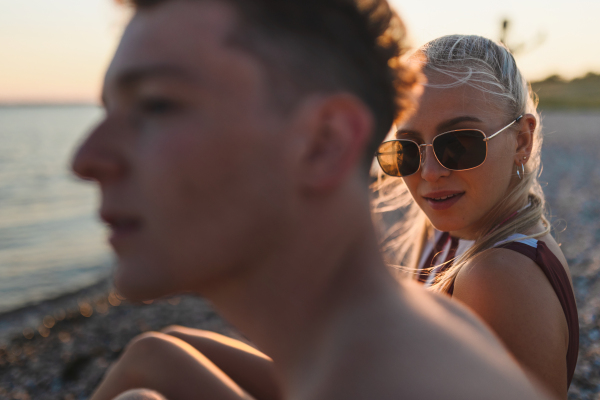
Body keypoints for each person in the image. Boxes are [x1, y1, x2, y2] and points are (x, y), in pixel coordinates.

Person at [72, 1, 552, 399]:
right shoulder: (411, 333)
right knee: (153, 355)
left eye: (158, 104)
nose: (85, 159)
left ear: (326, 142)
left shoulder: (460, 320)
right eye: (404, 151)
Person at [373, 35, 578, 399]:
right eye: (406, 150)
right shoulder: (456, 233)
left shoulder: (497, 277)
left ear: (521, 141)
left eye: (459, 144)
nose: (430, 171)